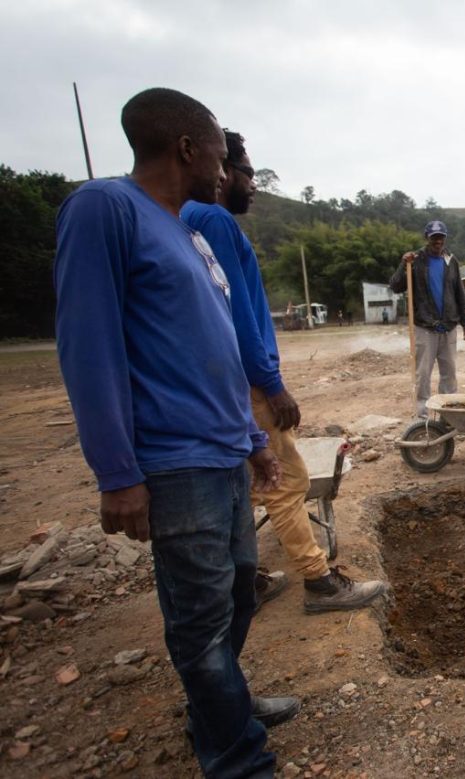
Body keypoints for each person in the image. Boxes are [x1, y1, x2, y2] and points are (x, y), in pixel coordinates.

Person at [54, 87, 291, 778]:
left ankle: (221, 708)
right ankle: (238, 757)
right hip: (175, 462)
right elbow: (88, 344)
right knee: (200, 622)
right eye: (220, 154)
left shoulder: (188, 232)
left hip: (223, 453)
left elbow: (212, 348)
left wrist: (253, 442)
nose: (226, 170)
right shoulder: (106, 208)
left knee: (238, 594)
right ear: (187, 148)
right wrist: (116, 472)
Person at [182, 131, 389, 616]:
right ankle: (319, 583)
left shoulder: (186, 218)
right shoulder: (213, 218)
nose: (254, 184)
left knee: (241, 484)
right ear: (223, 170)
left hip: (217, 380)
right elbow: (236, 314)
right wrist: (271, 383)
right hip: (247, 380)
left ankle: (245, 581)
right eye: (248, 172)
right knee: (286, 480)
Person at [389, 220, 465, 417]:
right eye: (434, 237)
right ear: (427, 238)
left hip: (448, 326)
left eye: (441, 237)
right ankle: (423, 416)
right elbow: (396, 286)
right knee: (423, 374)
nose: (438, 241)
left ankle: (448, 414)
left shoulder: (451, 261)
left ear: (445, 238)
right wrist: (403, 265)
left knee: (449, 373)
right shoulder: (415, 261)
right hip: (425, 327)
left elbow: (459, 292)